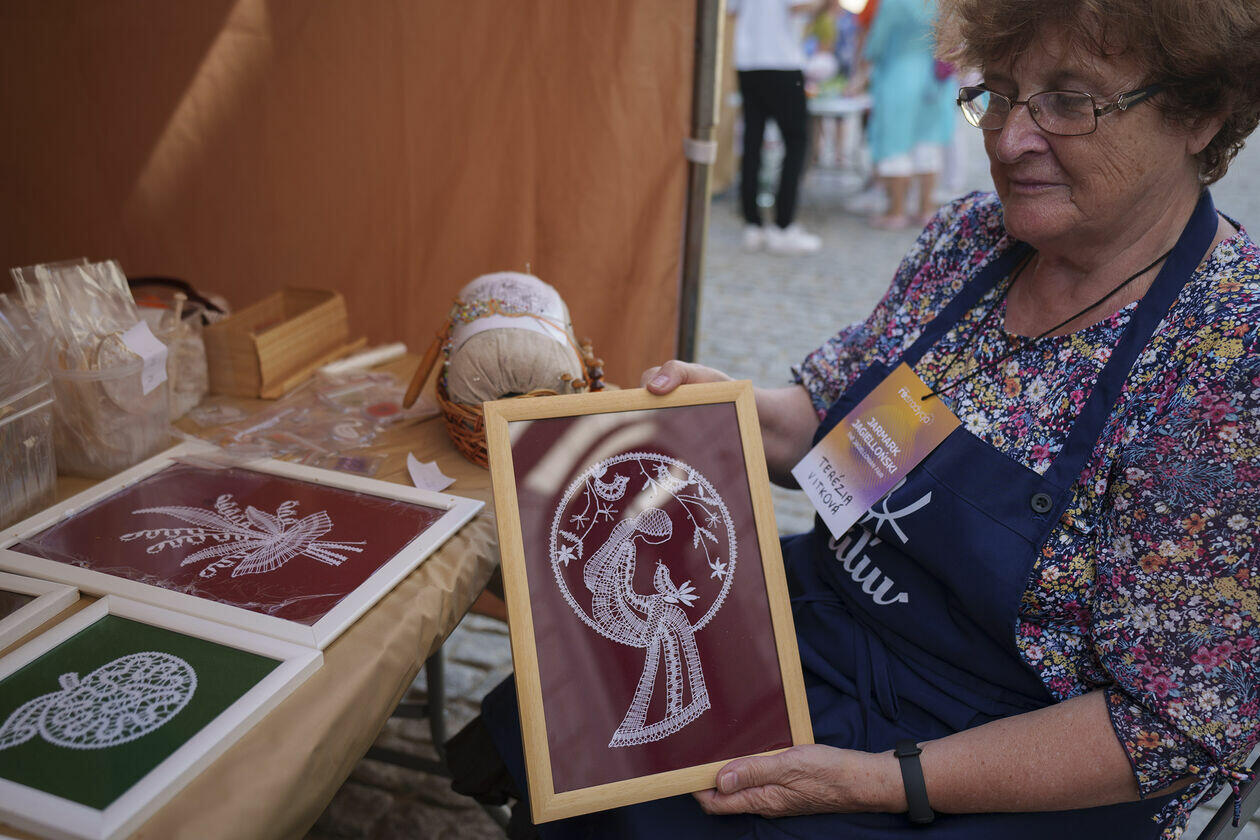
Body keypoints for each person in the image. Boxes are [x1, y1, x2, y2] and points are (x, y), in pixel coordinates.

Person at [464, 0, 1260, 837]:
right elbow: (840, 438)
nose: (1009, 140)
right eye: (998, 93)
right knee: (587, 703)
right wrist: (715, 413)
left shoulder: (1229, 355)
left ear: (1200, 113)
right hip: (828, 629)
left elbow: (1167, 727)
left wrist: (884, 780)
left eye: (1069, 101)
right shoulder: (971, 244)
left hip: (1004, 759)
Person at [730, 0, 824, 255]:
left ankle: (752, 222)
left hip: (748, 61)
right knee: (796, 142)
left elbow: (731, 10)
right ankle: (783, 224)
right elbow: (799, 6)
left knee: (752, 141)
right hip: (781, 60)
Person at [861, 0, 957, 229]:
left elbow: (877, 42)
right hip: (935, 81)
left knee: (895, 144)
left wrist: (861, 71)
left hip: (899, 75)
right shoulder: (943, 3)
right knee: (928, 144)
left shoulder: (894, 3)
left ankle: (896, 211)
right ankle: (925, 208)